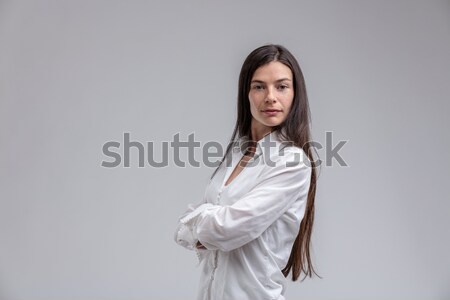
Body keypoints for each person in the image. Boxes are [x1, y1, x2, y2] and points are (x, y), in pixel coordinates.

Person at [174, 44, 320, 300]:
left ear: (295, 94)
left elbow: (227, 229)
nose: (271, 97)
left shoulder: (292, 162)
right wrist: (208, 223)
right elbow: (185, 232)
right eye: (259, 86)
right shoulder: (237, 154)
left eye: (282, 86)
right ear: (246, 93)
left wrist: (202, 221)